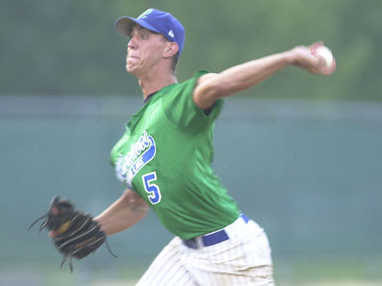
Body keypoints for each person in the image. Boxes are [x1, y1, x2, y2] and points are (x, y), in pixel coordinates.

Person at [94, 8, 336, 286]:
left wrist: (289, 57)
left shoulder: (178, 100)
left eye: (144, 35)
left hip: (232, 253)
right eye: (132, 36)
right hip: (185, 252)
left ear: (169, 48)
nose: (132, 42)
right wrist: (92, 229)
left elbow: (220, 84)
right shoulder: (127, 142)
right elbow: (135, 204)